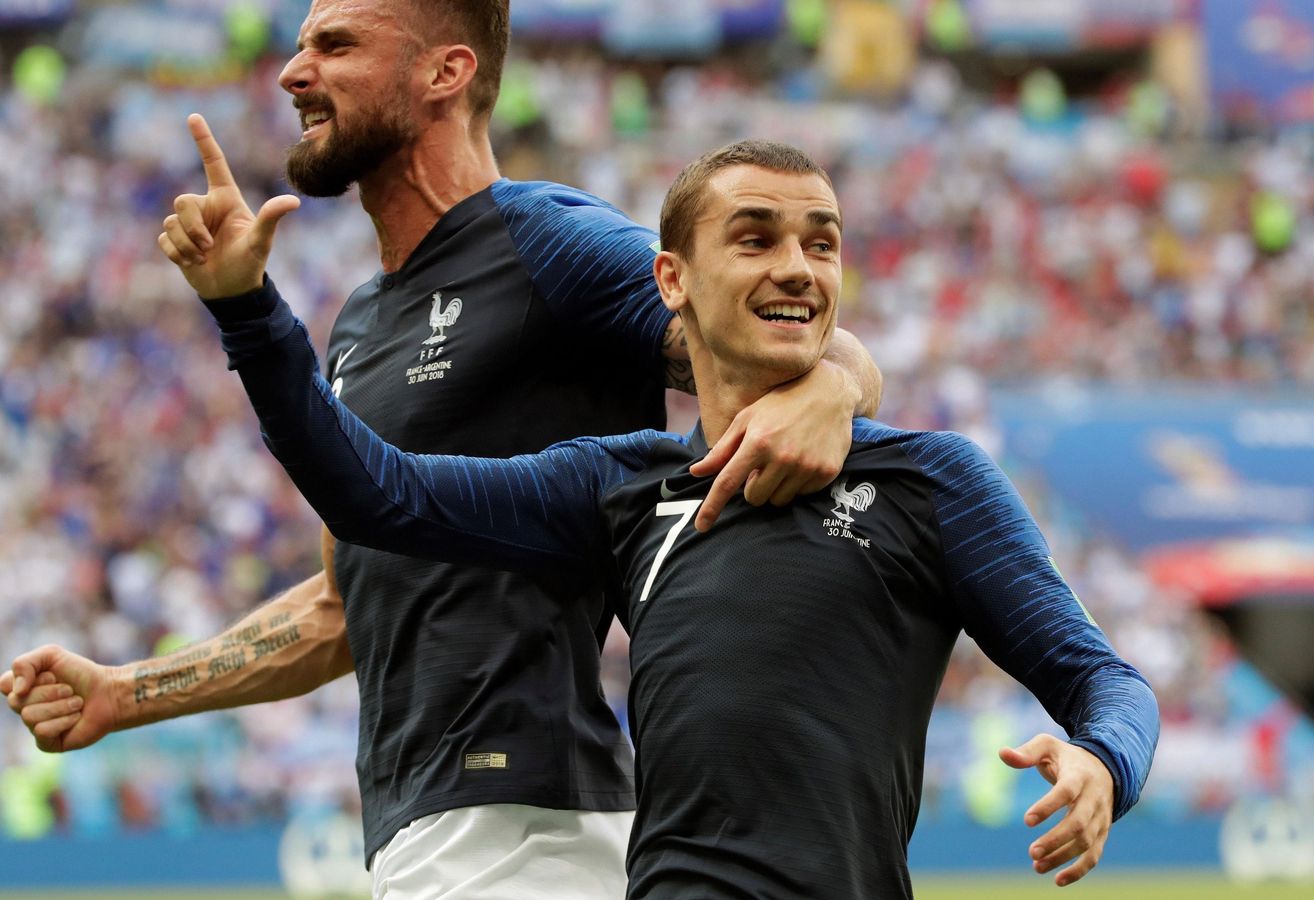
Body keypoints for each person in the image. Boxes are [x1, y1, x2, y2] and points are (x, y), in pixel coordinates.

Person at [1, 2, 880, 896]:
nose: (292, 73)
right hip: (434, 834)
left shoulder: (545, 241)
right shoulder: (358, 324)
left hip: (526, 829)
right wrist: (128, 693)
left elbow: (797, 346)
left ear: (444, 73)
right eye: (302, 45)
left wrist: (834, 389)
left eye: (335, 46)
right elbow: (343, 609)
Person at [162, 134, 1159, 896]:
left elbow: (1102, 679)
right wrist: (247, 310)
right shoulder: (621, 486)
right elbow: (374, 493)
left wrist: (1100, 763)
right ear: (671, 279)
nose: (798, 268)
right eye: (755, 237)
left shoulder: (930, 482)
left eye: (822, 243)